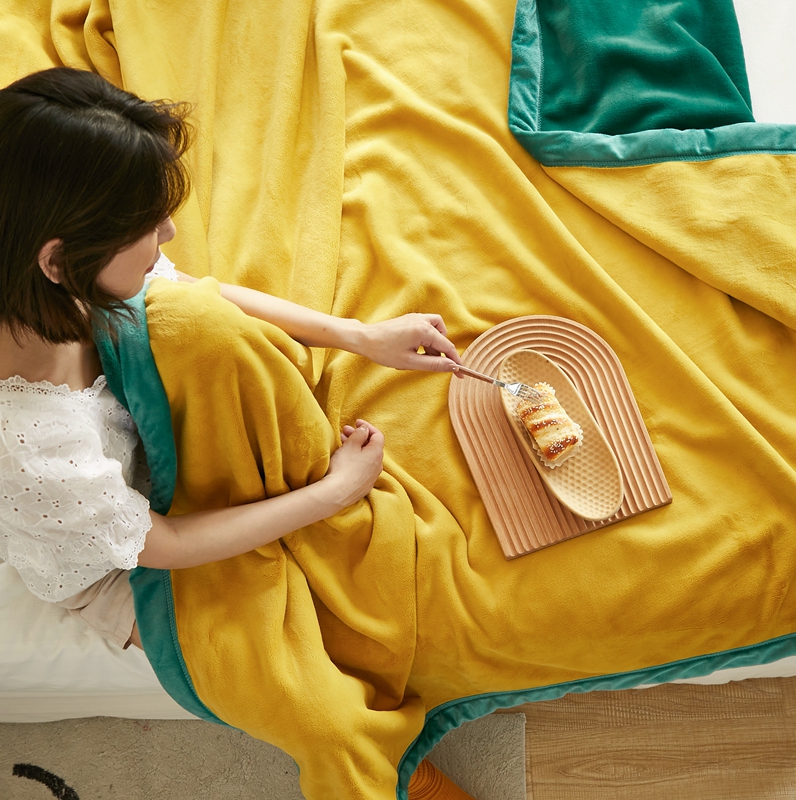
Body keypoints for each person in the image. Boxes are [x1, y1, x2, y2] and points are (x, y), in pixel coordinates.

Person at [0, 67, 472, 800]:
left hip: (149, 425)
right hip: (123, 565)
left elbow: (190, 293)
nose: (168, 234)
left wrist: (358, 335)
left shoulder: (70, 274)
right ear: (58, 262)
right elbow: (164, 545)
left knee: (199, 321)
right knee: (314, 714)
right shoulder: (29, 444)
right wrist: (332, 494)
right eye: (146, 228)